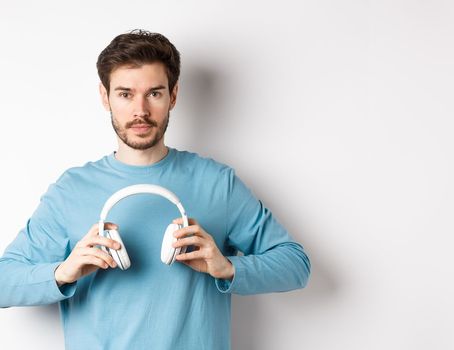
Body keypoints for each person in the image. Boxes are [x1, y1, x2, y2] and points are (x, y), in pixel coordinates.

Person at [0, 29, 311, 349]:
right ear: (105, 97)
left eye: (154, 93)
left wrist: (228, 268)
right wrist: (62, 272)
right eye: (125, 94)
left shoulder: (218, 183)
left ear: (173, 95)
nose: (140, 111)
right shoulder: (71, 191)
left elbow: (295, 265)